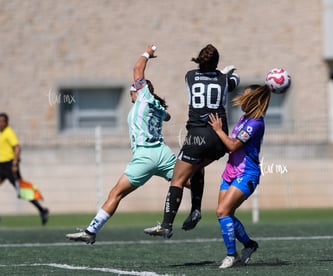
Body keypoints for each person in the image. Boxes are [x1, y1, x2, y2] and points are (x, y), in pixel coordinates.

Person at [66, 45, 190, 244]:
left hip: (145, 156)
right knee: (189, 182)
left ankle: (91, 231)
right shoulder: (156, 105)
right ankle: (212, 208)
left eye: (133, 90)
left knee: (116, 193)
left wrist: (147, 54)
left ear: (138, 90)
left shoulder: (143, 96)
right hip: (163, 153)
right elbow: (166, 116)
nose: (132, 93)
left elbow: (137, 69)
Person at [144, 44, 240, 238]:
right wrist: (225, 73)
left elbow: (204, 78)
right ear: (216, 63)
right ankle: (195, 209)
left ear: (200, 60)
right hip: (219, 138)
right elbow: (234, 80)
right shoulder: (224, 80)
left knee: (177, 180)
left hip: (197, 136)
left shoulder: (189, 76)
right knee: (197, 168)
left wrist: (218, 72)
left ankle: (166, 225)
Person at [208, 84, 270, 268]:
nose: (241, 98)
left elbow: (233, 146)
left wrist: (218, 130)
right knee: (225, 214)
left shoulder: (255, 123)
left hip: (246, 173)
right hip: (230, 172)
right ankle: (250, 245)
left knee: (222, 211)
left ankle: (231, 255)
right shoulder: (244, 118)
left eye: (245, 96)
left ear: (253, 100)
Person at [0, 113, 49, 228]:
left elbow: (17, 147)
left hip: (10, 166)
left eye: (2, 121)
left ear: (6, 122)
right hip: (0, 166)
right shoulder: (0, 134)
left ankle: (42, 210)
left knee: (23, 192)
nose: (0, 123)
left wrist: (15, 163)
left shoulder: (9, 132)